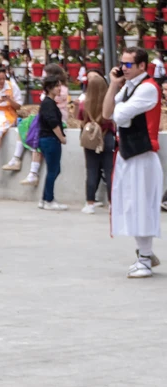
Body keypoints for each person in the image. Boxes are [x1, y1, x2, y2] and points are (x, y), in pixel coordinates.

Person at [104, 47, 163, 278]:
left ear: (142, 66)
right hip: (129, 154)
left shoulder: (148, 88)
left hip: (142, 155)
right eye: (122, 63)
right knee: (131, 204)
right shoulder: (128, 87)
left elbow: (118, 116)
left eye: (128, 65)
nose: (123, 68)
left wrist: (120, 111)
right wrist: (113, 85)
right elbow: (108, 113)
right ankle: (144, 254)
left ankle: (145, 259)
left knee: (141, 206)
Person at [79, 72, 116, 215]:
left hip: (91, 139)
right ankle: (112, 203)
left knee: (91, 171)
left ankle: (90, 203)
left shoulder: (84, 104)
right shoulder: (110, 103)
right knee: (110, 171)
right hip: (107, 137)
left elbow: (81, 121)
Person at [36, 75, 67, 211]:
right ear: (49, 88)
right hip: (50, 139)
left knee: (53, 170)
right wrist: (61, 138)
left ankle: (44, 198)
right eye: (56, 86)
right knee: (53, 170)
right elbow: (52, 122)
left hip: (48, 139)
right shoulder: (48, 103)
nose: (59, 88)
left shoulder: (49, 102)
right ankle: (49, 199)